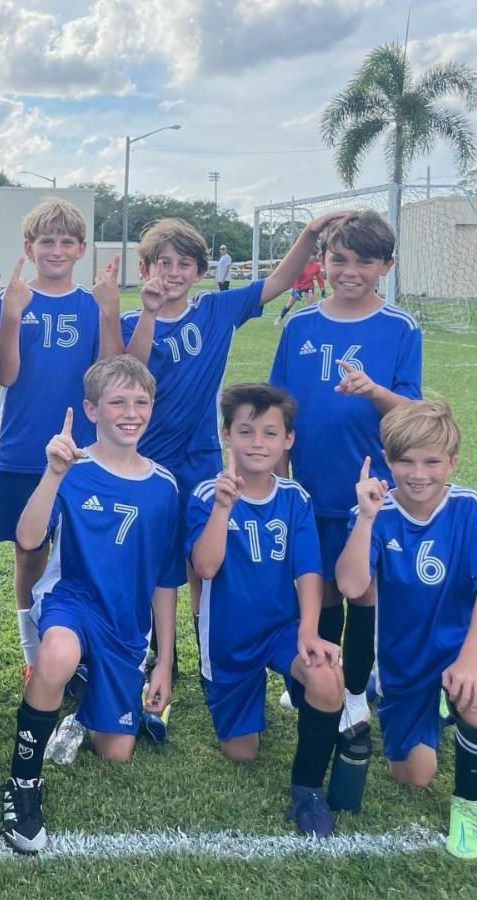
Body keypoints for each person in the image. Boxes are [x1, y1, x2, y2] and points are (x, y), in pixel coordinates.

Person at [115, 213, 348, 675]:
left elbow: (279, 281)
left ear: (200, 271)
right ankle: (157, 652)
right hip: (146, 460)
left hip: (200, 456)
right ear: (146, 269)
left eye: (184, 264)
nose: (173, 273)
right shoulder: (131, 321)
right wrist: (149, 313)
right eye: (164, 263)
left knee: (202, 562)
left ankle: (208, 643)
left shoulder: (216, 310)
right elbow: (131, 372)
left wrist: (309, 234)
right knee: (147, 557)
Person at [1, 356, 179, 854]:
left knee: (116, 751)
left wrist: (164, 662)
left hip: (125, 625)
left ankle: (84, 699)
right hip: (72, 602)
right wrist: (53, 474)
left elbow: (165, 580)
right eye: (117, 402)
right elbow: (27, 538)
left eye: (141, 402)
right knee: (57, 654)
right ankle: (22, 785)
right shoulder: (72, 470)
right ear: (91, 409)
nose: (131, 412)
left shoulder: (164, 487)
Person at [269, 210, 421, 736]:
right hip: (310, 488)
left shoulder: (400, 327)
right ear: (323, 261)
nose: (350, 271)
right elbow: (279, 410)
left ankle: (355, 691)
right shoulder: (300, 325)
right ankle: (323, 677)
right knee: (322, 589)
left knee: (363, 591)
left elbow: (414, 412)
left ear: (386, 266)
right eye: (339, 259)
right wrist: (281, 481)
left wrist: (374, 390)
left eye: (364, 262)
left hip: (369, 493)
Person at [336, 400, 477, 860]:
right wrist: (366, 518)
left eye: (432, 462)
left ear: (452, 462)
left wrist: (471, 661)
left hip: (460, 647)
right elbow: (351, 586)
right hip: (404, 658)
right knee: (413, 776)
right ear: (387, 461)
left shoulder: (472, 510)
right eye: (406, 461)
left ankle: (470, 803)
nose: (418, 474)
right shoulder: (375, 512)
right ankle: (421, 701)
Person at [188, 383, 344, 838]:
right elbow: (205, 566)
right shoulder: (206, 495)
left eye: (270, 433)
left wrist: (309, 630)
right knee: (243, 752)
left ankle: (307, 789)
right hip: (228, 639)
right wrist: (223, 508)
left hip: (281, 629)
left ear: (288, 440)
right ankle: (249, 697)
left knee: (325, 676)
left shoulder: (295, 497)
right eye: (246, 431)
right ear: (226, 434)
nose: (258, 443)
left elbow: (309, 570)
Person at [0, 199, 113, 680]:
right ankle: (32, 652)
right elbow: (5, 374)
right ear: (28, 247)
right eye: (46, 241)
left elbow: (110, 374)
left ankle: (81, 648)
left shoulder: (91, 304)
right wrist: (12, 315)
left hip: (84, 451)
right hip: (23, 448)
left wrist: (108, 314)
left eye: (66, 242)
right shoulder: (12, 300)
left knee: (83, 551)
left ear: (81, 249)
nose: (56, 250)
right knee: (29, 552)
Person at [275, 250, 326, 325]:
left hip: (309, 286)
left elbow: (319, 278)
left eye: (313, 255)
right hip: (298, 286)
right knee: (290, 304)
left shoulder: (316, 266)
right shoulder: (300, 265)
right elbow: (295, 278)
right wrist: (295, 289)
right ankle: (280, 317)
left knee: (311, 304)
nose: (312, 257)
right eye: (310, 255)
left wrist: (322, 289)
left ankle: (310, 321)